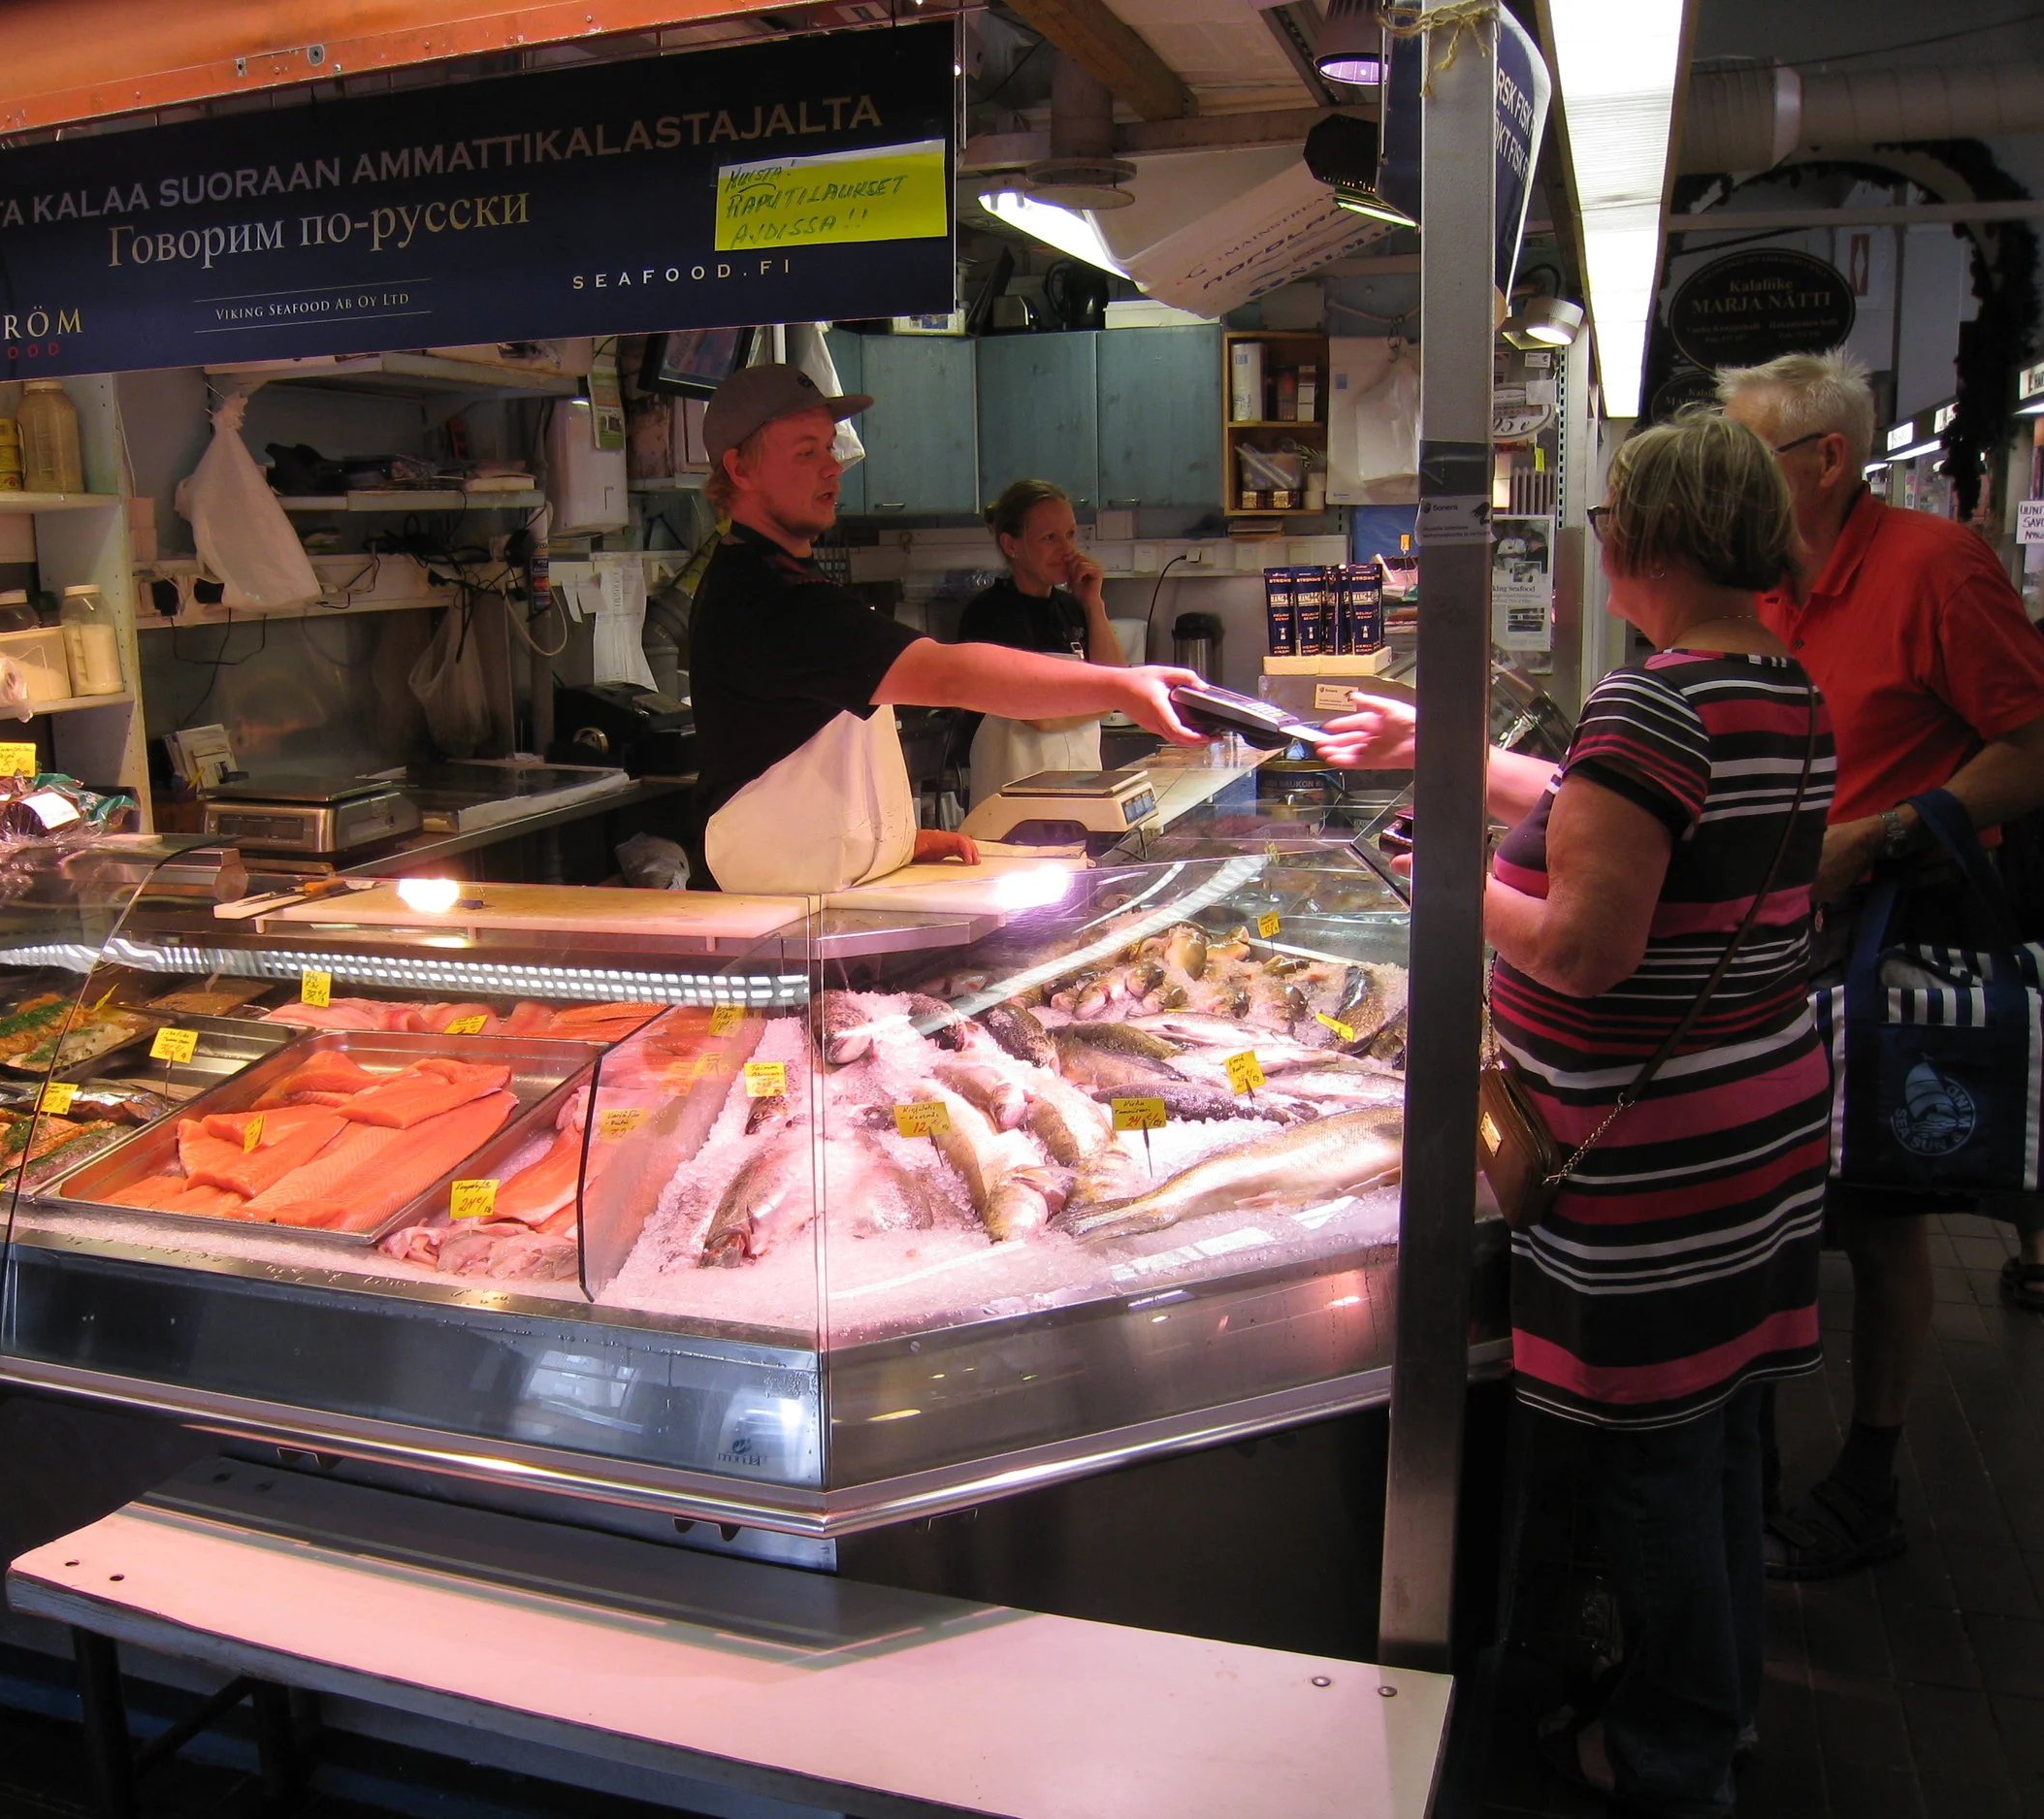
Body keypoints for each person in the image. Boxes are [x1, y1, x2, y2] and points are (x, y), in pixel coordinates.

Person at [1324, 413, 1832, 1818]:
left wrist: (1426, 874)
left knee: (1649, 1467)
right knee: (1719, 1434)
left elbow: (1580, 946)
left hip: (1655, 1153)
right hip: (1760, 1124)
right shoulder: (1776, 684)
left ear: (1643, 542)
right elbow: (1607, 812)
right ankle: (1716, 1710)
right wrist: (1444, 751)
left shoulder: (1655, 701)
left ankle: (1671, 1753)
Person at [1719, 348, 2044, 1579]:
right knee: (1778, 1191)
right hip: (1778, 924)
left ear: (1827, 461)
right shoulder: (1767, 580)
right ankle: (1746, 1451)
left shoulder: (1934, 569)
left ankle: (1868, 1479)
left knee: (1879, 1206)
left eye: (1749, 454)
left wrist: (1886, 831)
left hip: (1894, 927)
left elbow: (2033, 743)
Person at [688, 365, 1204, 893]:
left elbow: (801, 747)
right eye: (806, 452)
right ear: (740, 470)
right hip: (772, 916)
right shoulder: (770, 597)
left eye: (829, 447)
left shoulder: (783, 577)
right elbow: (950, 677)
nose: (832, 468)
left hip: (819, 890)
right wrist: (1122, 685)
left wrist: (891, 844)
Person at [957, 479, 1127, 806]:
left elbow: (1119, 687)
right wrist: (1100, 701)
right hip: (1012, 803)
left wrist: (1094, 604)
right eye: (1050, 538)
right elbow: (1039, 716)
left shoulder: (1072, 608)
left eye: (1071, 534)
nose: (1067, 550)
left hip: (1081, 797)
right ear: (1012, 545)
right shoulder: (990, 614)